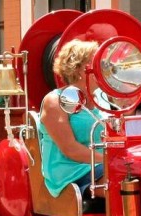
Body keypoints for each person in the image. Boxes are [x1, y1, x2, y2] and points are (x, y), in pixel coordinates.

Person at [39, 40, 104, 199]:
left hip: (101, 167)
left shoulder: (103, 99)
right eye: (97, 63)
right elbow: (71, 149)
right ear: (79, 69)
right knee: (124, 180)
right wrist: (112, 161)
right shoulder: (55, 101)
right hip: (71, 175)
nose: (104, 68)